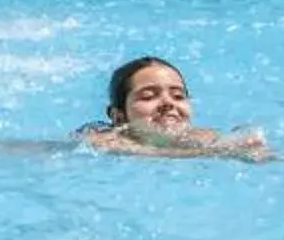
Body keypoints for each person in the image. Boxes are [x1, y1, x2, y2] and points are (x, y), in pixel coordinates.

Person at [77, 57, 273, 162]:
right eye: (148, 96)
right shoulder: (101, 140)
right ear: (119, 116)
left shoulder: (201, 137)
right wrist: (223, 153)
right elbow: (146, 154)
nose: (168, 103)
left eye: (178, 96)